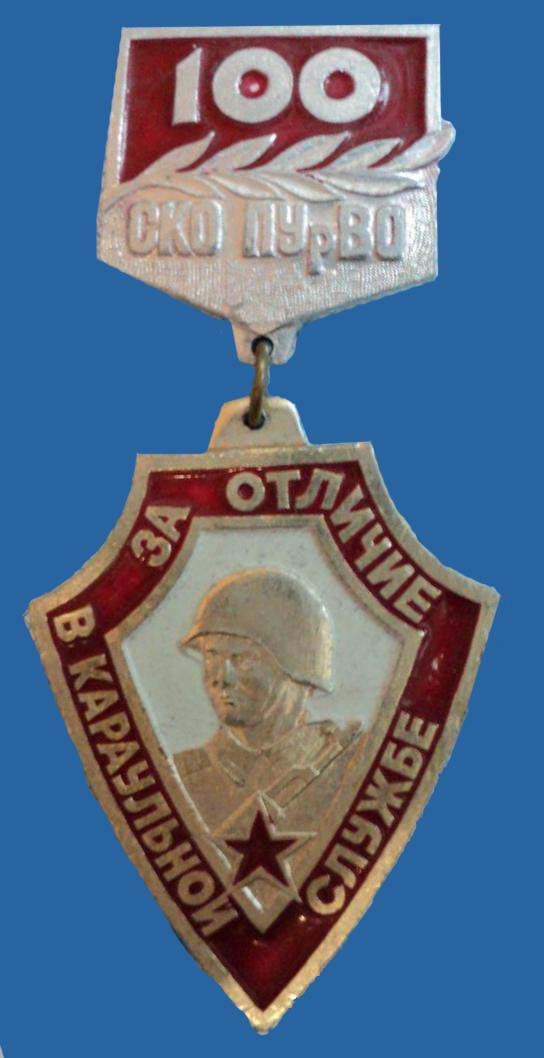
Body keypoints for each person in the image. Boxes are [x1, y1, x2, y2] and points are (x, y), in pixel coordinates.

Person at [173, 568, 364, 833]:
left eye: (244, 658)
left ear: (299, 669)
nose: (221, 678)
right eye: (212, 656)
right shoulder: (177, 777)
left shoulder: (355, 765)